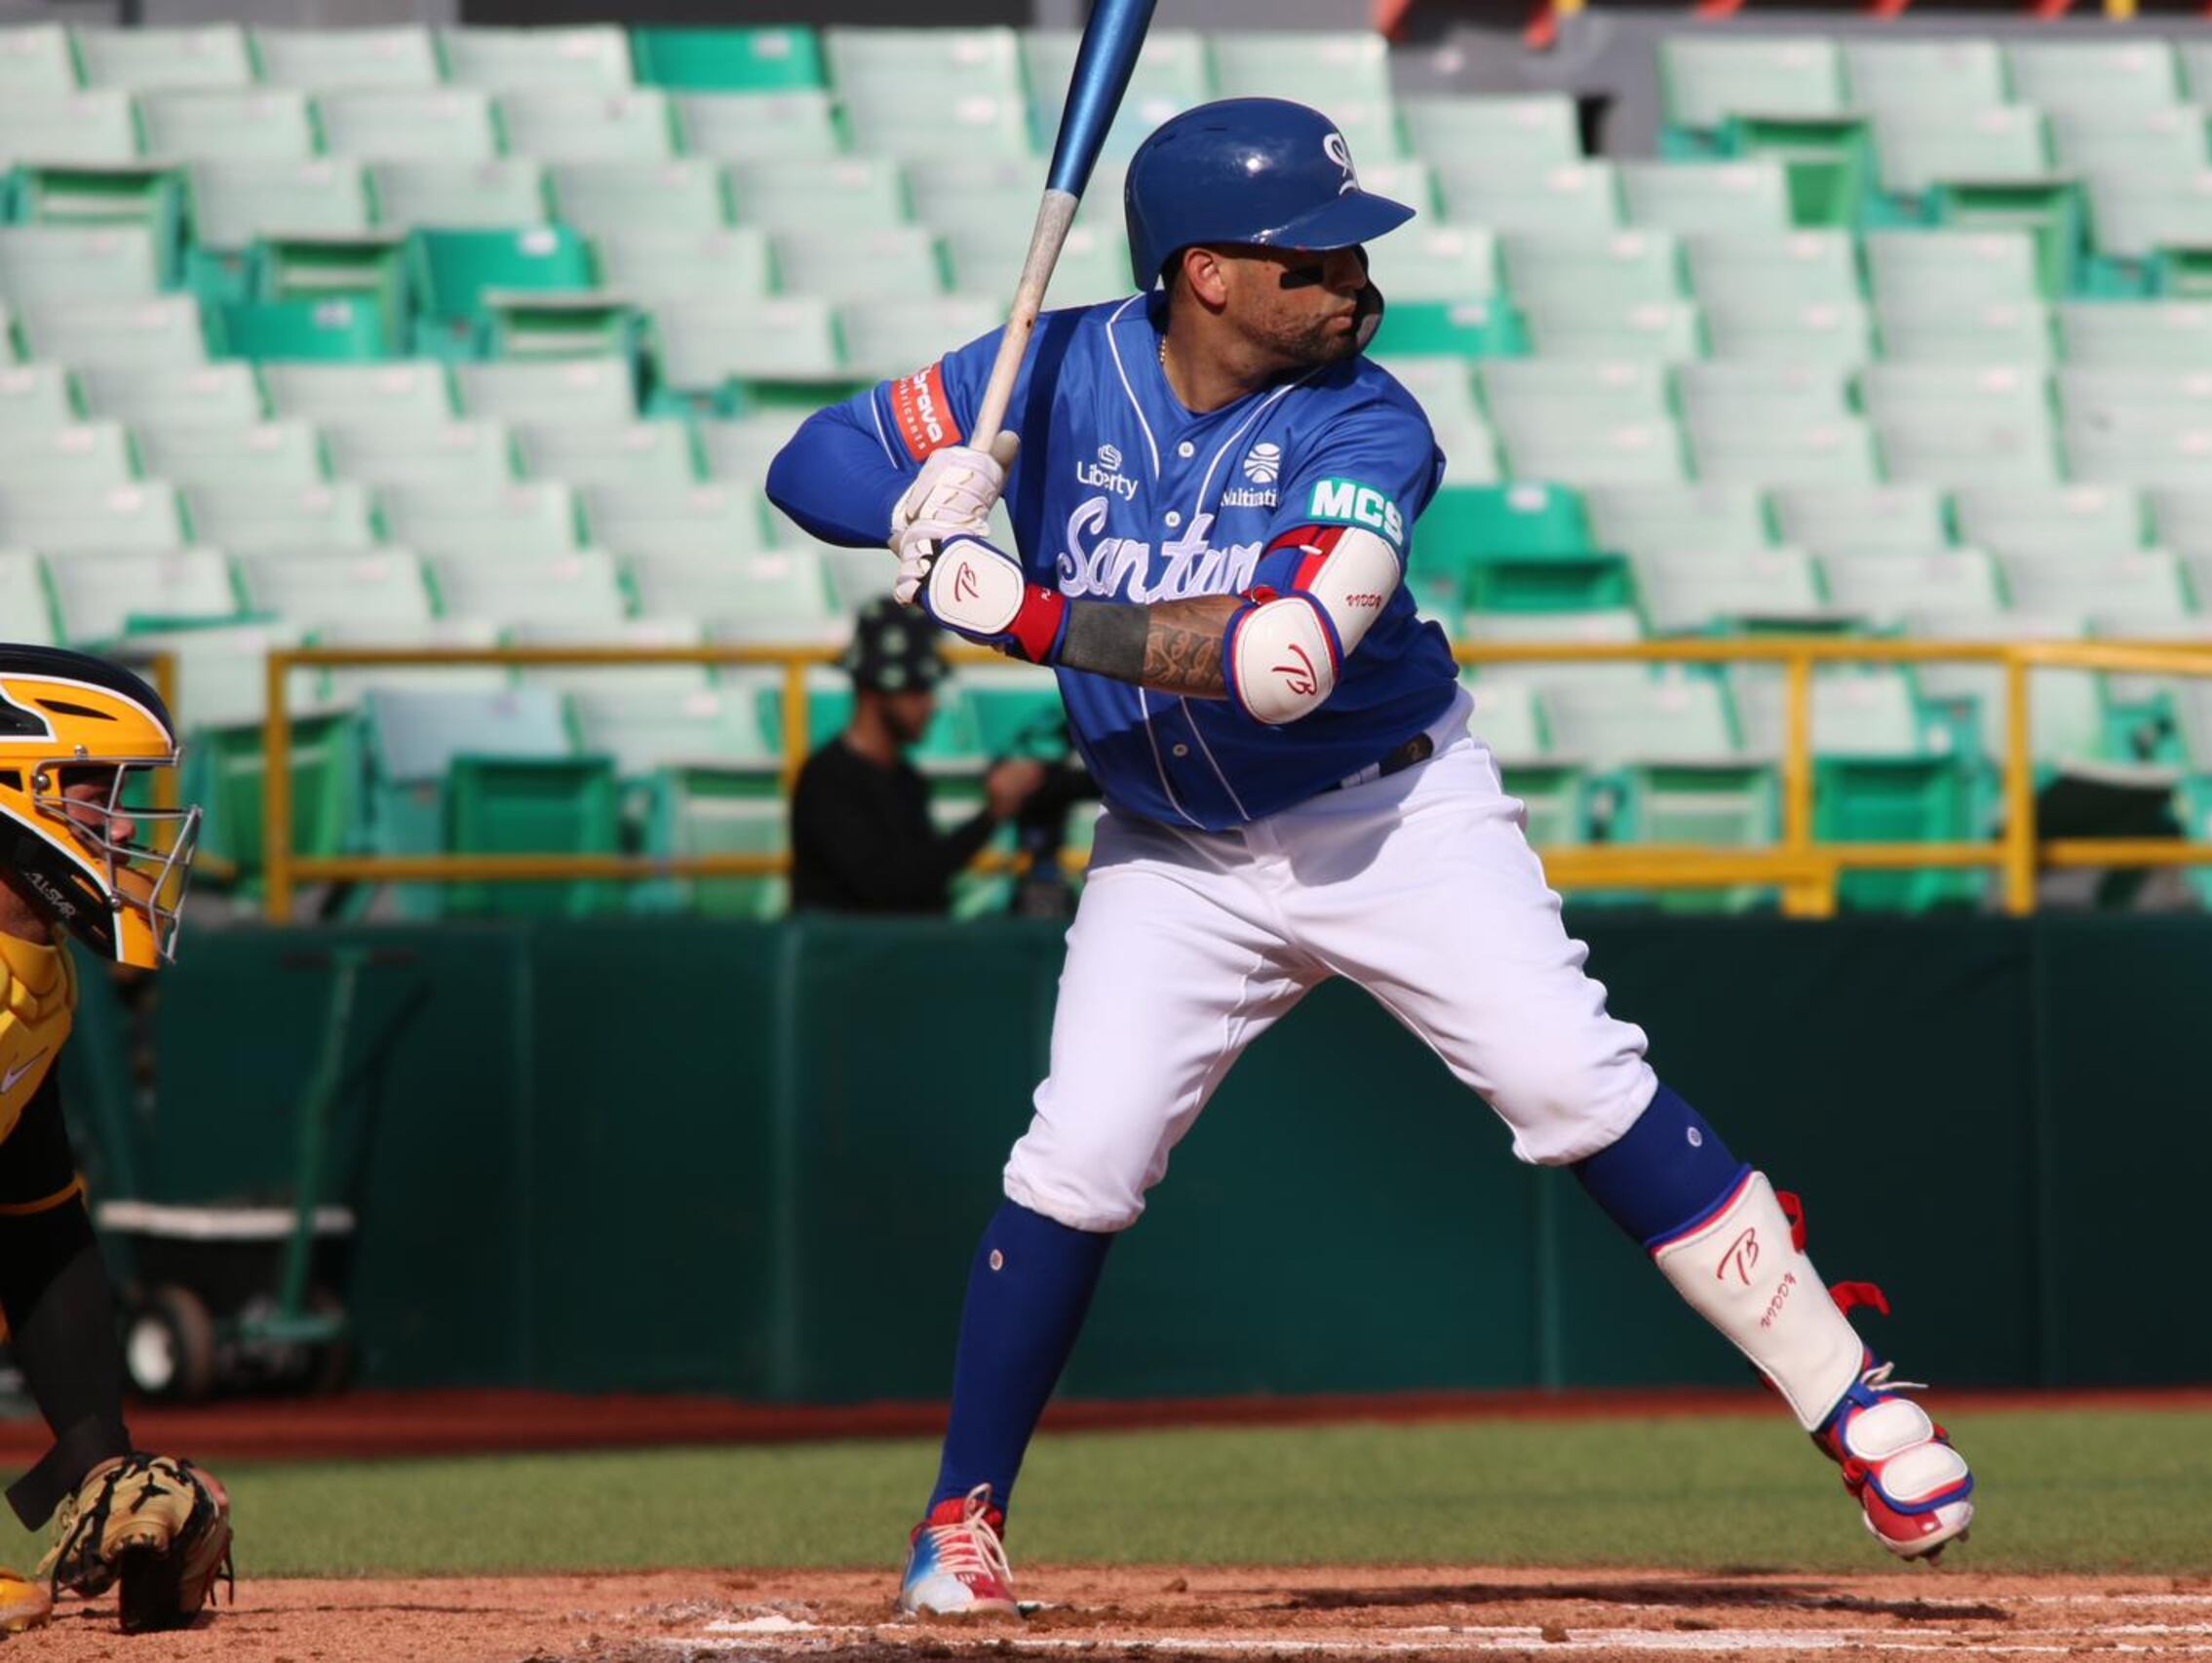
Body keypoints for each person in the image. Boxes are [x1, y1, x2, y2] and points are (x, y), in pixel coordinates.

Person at [767, 97, 1975, 1617]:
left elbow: (1283, 659)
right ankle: (960, 1517)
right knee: (1078, 1155)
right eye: (1314, 259)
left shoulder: (1370, 420)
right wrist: (912, 501)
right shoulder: (1057, 365)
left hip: (1384, 814)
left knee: (1570, 1080)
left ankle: (1846, 1389)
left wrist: (1017, 610)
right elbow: (805, 459)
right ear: (1205, 273)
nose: (1356, 284)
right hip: (1174, 846)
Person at [0, 644, 232, 1633]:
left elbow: (37, 1222)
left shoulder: (31, 979)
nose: (129, 825)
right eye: (96, 791)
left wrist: (105, 1460)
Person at [788, 600, 1050, 914]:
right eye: (917, 689)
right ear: (873, 691)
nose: (931, 704)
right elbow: (895, 888)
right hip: (841, 960)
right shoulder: (828, 779)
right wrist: (991, 816)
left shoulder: (906, 779)